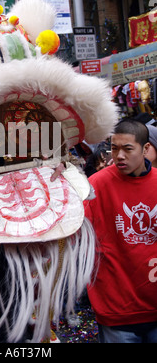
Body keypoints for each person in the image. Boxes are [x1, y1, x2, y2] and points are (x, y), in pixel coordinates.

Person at [85, 118, 157, 343]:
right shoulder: (95, 186)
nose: (119, 156)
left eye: (128, 149)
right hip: (116, 309)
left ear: (145, 149)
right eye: (114, 148)